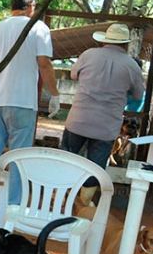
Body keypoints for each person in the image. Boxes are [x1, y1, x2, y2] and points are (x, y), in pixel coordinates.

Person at [0, 0, 60, 213]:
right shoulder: (39, 28)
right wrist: (54, 94)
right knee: (19, 156)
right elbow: (44, 64)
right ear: (31, 7)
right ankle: (13, 204)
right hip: (23, 102)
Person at [60, 23, 144, 193]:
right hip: (106, 127)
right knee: (95, 169)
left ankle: (59, 194)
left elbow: (73, 74)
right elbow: (138, 95)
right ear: (126, 44)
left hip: (78, 120)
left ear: (105, 40)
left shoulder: (88, 55)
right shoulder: (132, 66)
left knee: (66, 160)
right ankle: (84, 203)